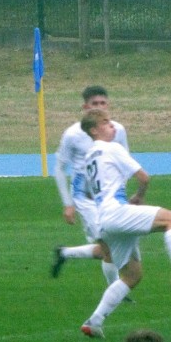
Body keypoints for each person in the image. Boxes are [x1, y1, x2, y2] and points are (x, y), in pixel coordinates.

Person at [79, 108, 171, 338]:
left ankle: (94, 321)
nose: (113, 126)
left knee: (132, 275)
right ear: (94, 130)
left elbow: (91, 191)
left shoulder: (88, 158)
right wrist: (139, 195)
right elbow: (144, 177)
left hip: (105, 220)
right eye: (106, 123)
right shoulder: (112, 148)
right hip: (116, 212)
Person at [52, 85, 129, 287]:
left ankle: (64, 253)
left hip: (110, 198)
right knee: (109, 246)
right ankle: (116, 292)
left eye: (103, 103)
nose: (99, 107)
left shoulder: (117, 130)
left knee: (112, 246)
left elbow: (124, 161)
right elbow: (60, 168)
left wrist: (121, 192)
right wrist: (68, 204)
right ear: (85, 106)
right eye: (94, 104)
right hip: (84, 197)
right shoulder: (72, 134)